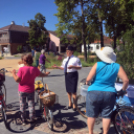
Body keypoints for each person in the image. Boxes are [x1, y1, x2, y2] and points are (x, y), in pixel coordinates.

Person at [85, 46, 129, 134]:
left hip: (94, 92)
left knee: (91, 115)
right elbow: (126, 80)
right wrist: (123, 90)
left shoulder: (97, 64)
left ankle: (90, 132)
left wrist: (87, 82)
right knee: (106, 116)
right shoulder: (117, 66)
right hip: (110, 94)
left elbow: (88, 79)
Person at [11, 53, 50, 125]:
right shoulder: (34, 69)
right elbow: (41, 74)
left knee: (22, 105)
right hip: (30, 90)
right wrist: (46, 74)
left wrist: (13, 73)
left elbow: (17, 80)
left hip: (22, 90)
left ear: (24, 61)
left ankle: (23, 120)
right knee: (31, 104)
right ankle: (32, 118)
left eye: (22, 60)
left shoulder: (21, 69)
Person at [52, 46, 82, 110]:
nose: (67, 52)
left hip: (73, 75)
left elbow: (80, 67)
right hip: (67, 75)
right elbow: (63, 67)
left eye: (69, 51)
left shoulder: (76, 59)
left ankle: (74, 104)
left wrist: (73, 66)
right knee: (68, 90)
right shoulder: (65, 59)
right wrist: (57, 67)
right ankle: (69, 102)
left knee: (73, 90)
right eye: (66, 51)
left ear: (72, 52)